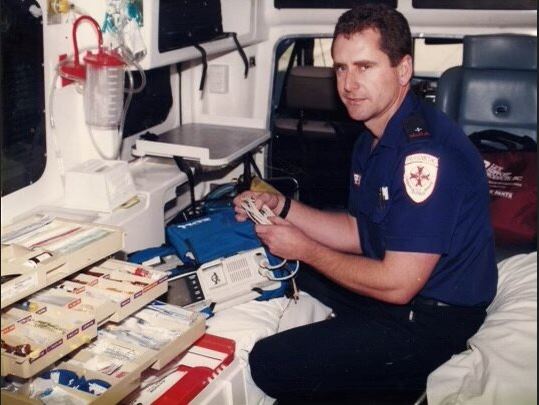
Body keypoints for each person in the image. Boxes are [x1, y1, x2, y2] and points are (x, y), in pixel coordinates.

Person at [234, 4, 497, 403]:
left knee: (270, 362)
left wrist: (306, 248)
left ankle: (400, 384)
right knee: (280, 266)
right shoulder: (372, 136)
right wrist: (282, 206)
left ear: (403, 69)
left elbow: (397, 285)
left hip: (431, 317)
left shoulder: (424, 157)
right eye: (341, 68)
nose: (349, 84)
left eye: (365, 67)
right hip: (402, 288)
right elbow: (361, 231)